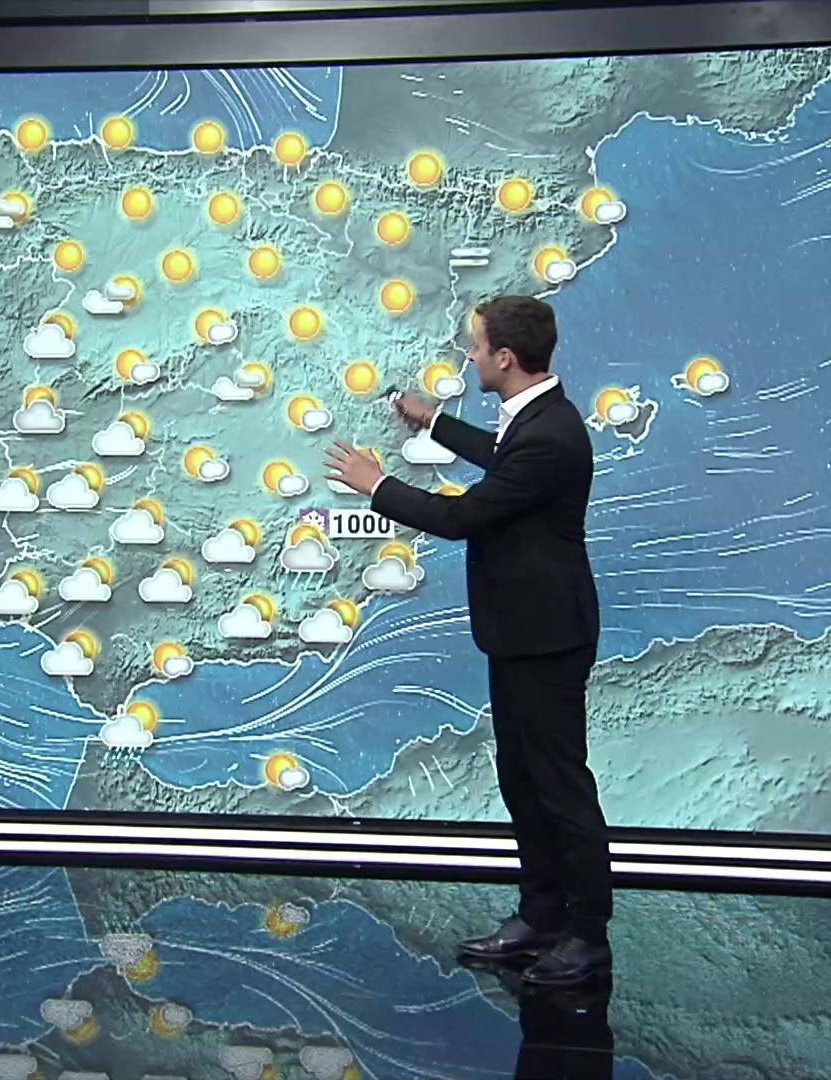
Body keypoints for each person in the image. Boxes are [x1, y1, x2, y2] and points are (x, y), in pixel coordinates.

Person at [323, 293, 611, 986]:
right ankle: (540, 916)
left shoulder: (550, 435)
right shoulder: (535, 419)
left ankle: (587, 936)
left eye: (475, 346)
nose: (469, 356)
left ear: (504, 358)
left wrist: (377, 483)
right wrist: (434, 422)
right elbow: (500, 457)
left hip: (547, 637)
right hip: (521, 633)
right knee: (522, 780)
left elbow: (462, 518)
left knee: (560, 788)